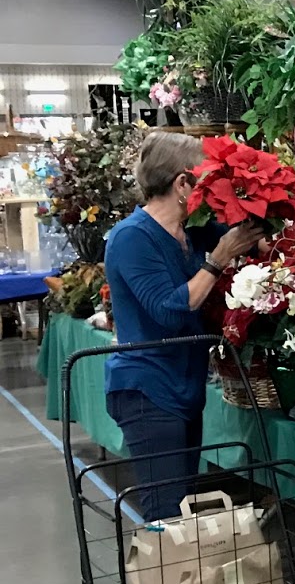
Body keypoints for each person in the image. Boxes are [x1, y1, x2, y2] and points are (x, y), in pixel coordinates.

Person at [103, 132, 261, 519]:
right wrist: (218, 259)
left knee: (183, 507)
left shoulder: (193, 231)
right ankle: (163, 580)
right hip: (148, 391)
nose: (214, 191)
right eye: (207, 181)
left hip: (185, 387)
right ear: (182, 184)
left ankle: (181, 577)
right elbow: (169, 311)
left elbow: (250, 237)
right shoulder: (130, 238)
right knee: (167, 515)